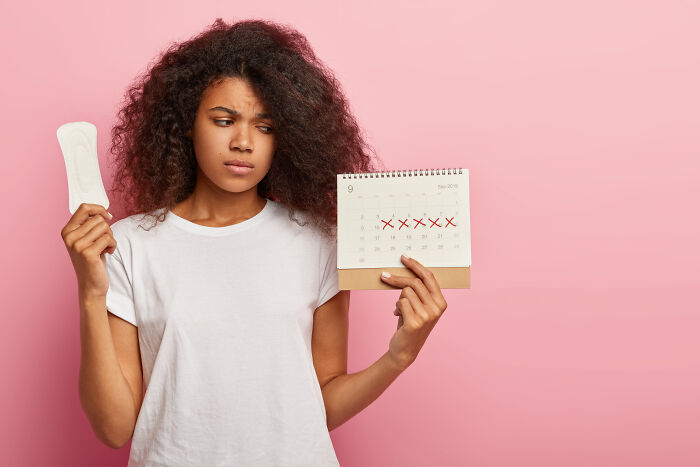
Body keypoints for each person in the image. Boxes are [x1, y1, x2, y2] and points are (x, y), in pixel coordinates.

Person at [61, 18, 448, 466]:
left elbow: (320, 405)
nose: (243, 142)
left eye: (265, 127)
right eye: (224, 120)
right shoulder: (128, 246)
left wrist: (398, 356)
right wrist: (91, 292)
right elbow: (113, 429)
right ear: (187, 123)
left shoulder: (319, 241)